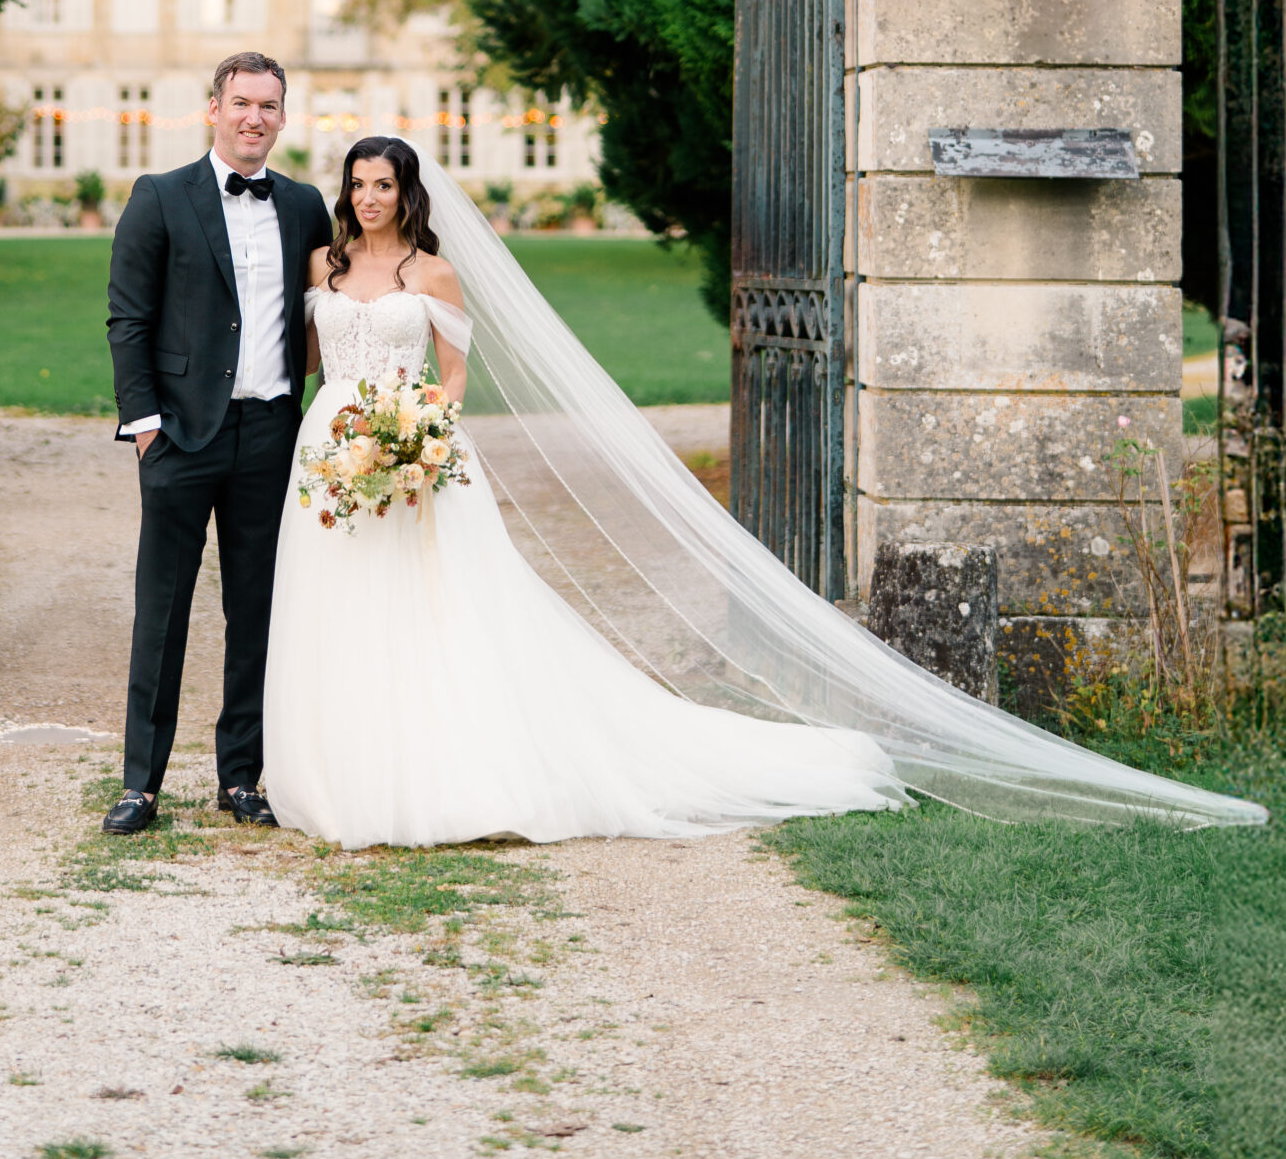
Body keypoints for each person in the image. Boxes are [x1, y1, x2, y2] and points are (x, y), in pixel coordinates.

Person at [261, 138, 1267, 846]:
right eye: (357, 183)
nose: (368, 197)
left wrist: (415, 440)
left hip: (420, 454)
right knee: (343, 611)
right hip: (332, 450)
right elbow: (314, 357)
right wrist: (349, 437)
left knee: (442, 616)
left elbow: (454, 381)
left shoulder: (435, 276)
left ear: (410, 191)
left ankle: (443, 772)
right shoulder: (324, 260)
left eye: (384, 183)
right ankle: (342, 771)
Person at [101, 52, 332, 836]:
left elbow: (327, 314)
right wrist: (145, 424)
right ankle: (142, 783)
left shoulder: (304, 207)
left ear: (283, 118)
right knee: (160, 609)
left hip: (271, 432)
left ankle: (242, 776)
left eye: (269, 106)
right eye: (241, 103)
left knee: (257, 610)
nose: (253, 118)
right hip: (178, 435)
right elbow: (127, 319)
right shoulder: (161, 197)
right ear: (213, 110)